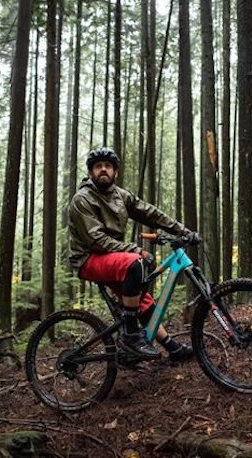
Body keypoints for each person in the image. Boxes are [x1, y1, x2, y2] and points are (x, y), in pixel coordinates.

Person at [67, 147, 195, 362]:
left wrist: (182, 230)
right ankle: (130, 336)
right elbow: (95, 240)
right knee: (136, 263)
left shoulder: (120, 195)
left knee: (141, 301)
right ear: (90, 173)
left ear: (115, 172)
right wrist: (136, 250)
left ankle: (172, 348)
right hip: (88, 258)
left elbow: (150, 212)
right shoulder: (83, 199)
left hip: (112, 257)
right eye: (98, 167)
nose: (103, 170)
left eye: (108, 166)